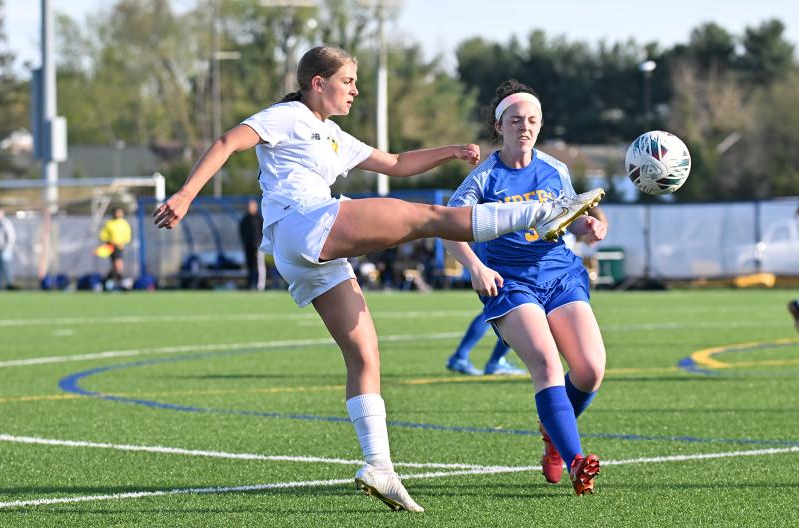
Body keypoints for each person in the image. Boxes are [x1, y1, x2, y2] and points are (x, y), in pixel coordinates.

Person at [153, 47, 603, 512]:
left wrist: (449, 152)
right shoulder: (287, 115)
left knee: (365, 353)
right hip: (303, 222)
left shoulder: (332, 135)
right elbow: (228, 141)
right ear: (317, 83)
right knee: (428, 217)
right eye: (348, 81)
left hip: (305, 254)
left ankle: (379, 467)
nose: (355, 90)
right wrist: (186, 194)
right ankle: (546, 210)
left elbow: (396, 163)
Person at [443, 79, 607, 496]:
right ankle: (574, 460)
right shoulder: (484, 178)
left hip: (561, 275)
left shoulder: (555, 169)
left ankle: (552, 434)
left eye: (533, 119)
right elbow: (448, 228)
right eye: (516, 120)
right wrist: (476, 268)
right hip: (511, 284)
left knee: (590, 371)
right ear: (500, 126)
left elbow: (572, 214)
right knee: (548, 367)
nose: (526, 127)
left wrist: (590, 226)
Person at [99, 207, 132, 289]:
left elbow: (128, 236)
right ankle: (121, 283)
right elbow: (103, 236)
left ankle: (107, 282)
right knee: (117, 266)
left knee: (117, 266)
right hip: (111, 247)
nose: (119, 214)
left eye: (120, 212)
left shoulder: (125, 224)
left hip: (120, 247)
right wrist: (110, 241)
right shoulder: (109, 223)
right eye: (117, 212)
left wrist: (122, 242)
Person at [239, 198, 265, 290]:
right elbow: (241, 232)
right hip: (248, 246)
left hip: (258, 246)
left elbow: (263, 232)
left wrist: (260, 243)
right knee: (249, 265)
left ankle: (260, 285)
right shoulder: (244, 220)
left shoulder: (259, 219)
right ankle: (250, 284)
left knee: (259, 265)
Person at [0, 208, 16, 290]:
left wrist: (8, 249)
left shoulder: (5, 223)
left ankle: (10, 284)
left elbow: (11, 237)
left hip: (4, 250)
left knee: (6, 267)